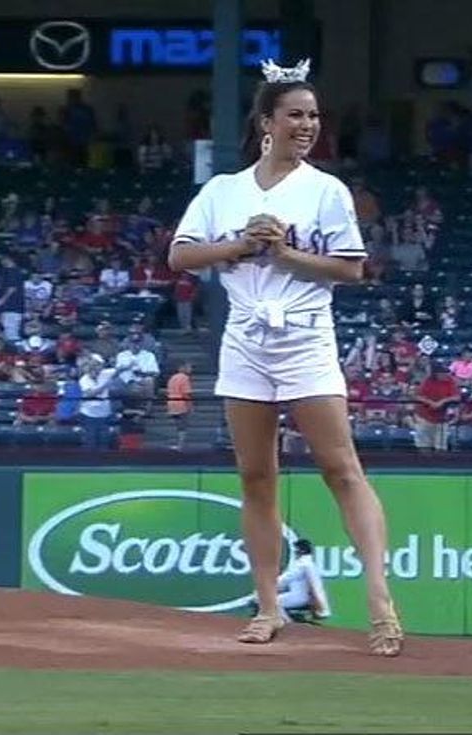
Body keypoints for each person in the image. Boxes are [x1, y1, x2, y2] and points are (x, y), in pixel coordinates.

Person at [168, 58, 402, 656]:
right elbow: (181, 256)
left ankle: (379, 601)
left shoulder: (326, 190)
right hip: (246, 336)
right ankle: (268, 606)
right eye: (295, 114)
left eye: (314, 116)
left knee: (341, 467)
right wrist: (244, 243)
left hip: (304, 334)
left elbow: (351, 268)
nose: (307, 125)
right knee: (255, 476)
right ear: (265, 121)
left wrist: (285, 253)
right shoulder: (224, 190)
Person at [165, 361, 193, 450]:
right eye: (188, 367)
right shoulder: (185, 378)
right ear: (182, 368)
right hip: (180, 403)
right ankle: (180, 445)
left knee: (177, 424)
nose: (190, 369)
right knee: (183, 425)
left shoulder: (172, 378)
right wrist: (190, 406)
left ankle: (176, 443)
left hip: (171, 402)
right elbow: (186, 394)